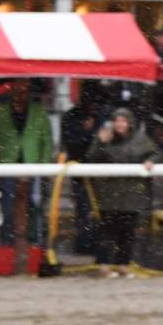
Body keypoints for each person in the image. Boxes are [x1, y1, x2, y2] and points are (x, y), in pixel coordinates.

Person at [85, 109, 159, 276]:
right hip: (108, 195)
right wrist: (101, 142)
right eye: (117, 121)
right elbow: (92, 158)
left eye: (123, 121)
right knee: (107, 231)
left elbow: (155, 153)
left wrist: (150, 161)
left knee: (128, 232)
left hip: (131, 196)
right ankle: (103, 264)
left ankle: (122, 264)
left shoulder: (140, 140)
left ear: (129, 123)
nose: (120, 124)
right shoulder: (104, 137)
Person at [0, 79, 52, 245]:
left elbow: (46, 140)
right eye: (17, 89)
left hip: (32, 166)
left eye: (24, 89)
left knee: (34, 205)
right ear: (11, 90)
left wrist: (44, 165)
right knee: (8, 207)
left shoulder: (39, 112)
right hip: (7, 167)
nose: (21, 93)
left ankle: (35, 242)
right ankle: (8, 243)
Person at [59, 89, 108, 255]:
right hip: (79, 169)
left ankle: (95, 245)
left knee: (98, 208)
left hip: (99, 170)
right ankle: (84, 245)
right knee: (83, 207)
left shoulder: (101, 117)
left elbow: (105, 144)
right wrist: (90, 133)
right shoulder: (71, 117)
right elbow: (71, 144)